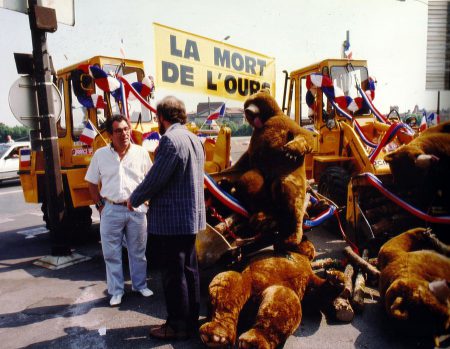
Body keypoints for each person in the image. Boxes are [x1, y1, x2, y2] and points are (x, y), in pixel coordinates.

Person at [129, 96, 205, 340]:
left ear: (162, 117)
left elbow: (155, 178)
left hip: (172, 221)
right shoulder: (194, 138)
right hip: (190, 219)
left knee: (174, 275)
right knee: (190, 270)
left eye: (158, 118)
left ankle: (176, 326)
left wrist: (134, 198)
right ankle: (191, 322)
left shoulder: (170, 140)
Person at [85, 114, 153, 306]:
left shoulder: (141, 153)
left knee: (138, 251)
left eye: (126, 129)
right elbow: (91, 182)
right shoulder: (100, 155)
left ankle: (140, 285)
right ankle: (116, 291)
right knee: (111, 253)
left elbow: (151, 180)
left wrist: (146, 202)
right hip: (111, 209)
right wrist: (99, 205)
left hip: (137, 211)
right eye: (118, 131)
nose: (123, 134)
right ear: (109, 135)